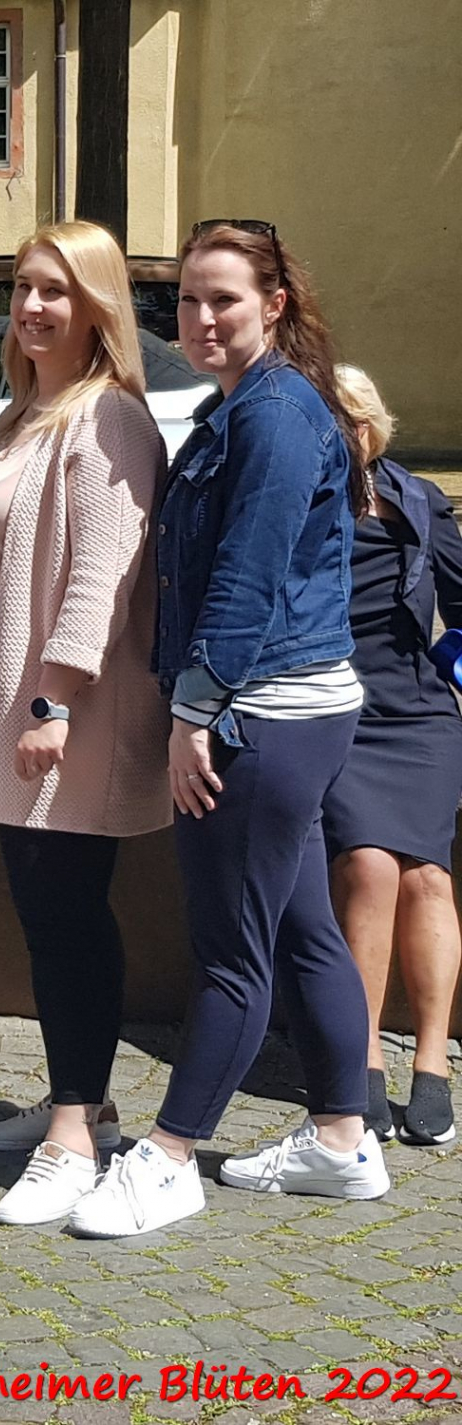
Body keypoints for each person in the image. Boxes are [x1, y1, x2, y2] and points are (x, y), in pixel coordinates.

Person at [70, 222, 390, 1239]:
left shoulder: (276, 415)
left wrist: (193, 715)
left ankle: (168, 1158)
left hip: (258, 712)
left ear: (273, 304)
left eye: (225, 300)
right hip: (284, 706)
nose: (201, 319)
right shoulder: (243, 405)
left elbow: (247, 579)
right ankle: (342, 1140)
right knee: (300, 929)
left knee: (228, 949)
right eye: (188, 301)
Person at [0, 222, 170, 1225]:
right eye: (25, 288)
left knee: (68, 914)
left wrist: (54, 700)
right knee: (43, 913)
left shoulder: (107, 418)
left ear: (97, 307)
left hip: (58, 698)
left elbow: (101, 576)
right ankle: (81, 1097)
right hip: (1, 675)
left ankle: (77, 1136)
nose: (34, 306)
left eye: (58, 291)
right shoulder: (25, 414)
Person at [322, 365, 462, 1148]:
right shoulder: (299, 502)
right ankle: (364, 1053)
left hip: (417, 709)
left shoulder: (419, 500)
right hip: (338, 706)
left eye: (345, 420)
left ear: (369, 428)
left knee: (429, 875)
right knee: (369, 864)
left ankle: (432, 1063)